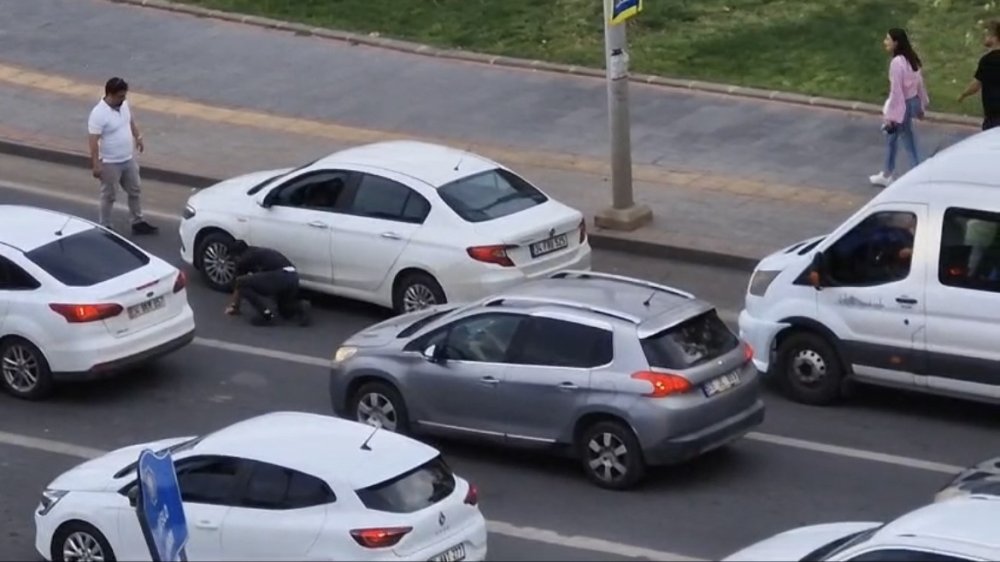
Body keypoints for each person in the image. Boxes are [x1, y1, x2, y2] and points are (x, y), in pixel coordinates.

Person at [87, 77, 158, 235]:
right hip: (110, 162)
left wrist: (138, 137)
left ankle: (137, 221)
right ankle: (105, 225)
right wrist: (96, 164)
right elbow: (93, 141)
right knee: (109, 195)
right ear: (110, 95)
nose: (123, 99)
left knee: (135, 190)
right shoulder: (98, 114)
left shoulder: (123, 105)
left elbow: (130, 121)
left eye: (124, 95)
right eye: (120, 96)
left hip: (128, 158)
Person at [869, 28, 930, 188]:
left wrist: (891, 117)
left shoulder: (897, 63)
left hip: (902, 106)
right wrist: (921, 106)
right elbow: (920, 84)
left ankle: (918, 174)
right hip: (912, 102)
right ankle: (887, 173)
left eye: (888, 39)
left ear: (896, 43)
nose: (885, 42)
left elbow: (897, 92)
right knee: (892, 139)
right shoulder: (912, 59)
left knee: (908, 141)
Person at [225, 240, 311, 327]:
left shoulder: (245, 258)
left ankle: (266, 314)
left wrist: (234, 307)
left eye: (233, 259)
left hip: (280, 276)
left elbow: (238, 283)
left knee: (242, 283)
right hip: (293, 277)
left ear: (236, 255)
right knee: (284, 311)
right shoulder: (258, 251)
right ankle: (300, 306)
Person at [958, 20, 1000, 131]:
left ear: (995, 38)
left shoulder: (987, 60)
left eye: (987, 35)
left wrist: (963, 95)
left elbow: (976, 85)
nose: (985, 37)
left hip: (994, 114)